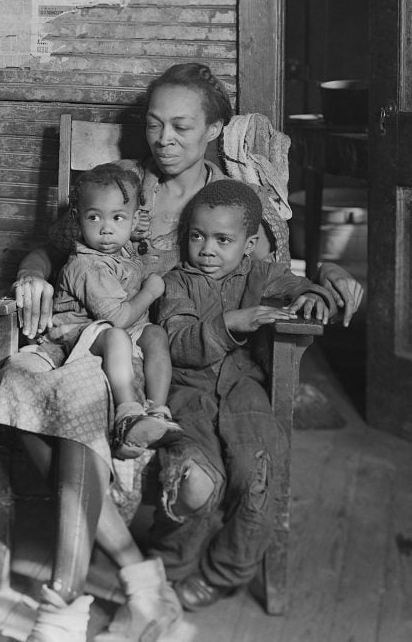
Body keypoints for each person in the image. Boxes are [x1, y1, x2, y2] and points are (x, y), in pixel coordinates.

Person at [0, 62, 364, 642]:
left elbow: (275, 273)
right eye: (155, 125)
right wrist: (30, 277)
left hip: (168, 361)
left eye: (182, 126)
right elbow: (49, 248)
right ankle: (138, 580)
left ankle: (87, 595)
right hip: (102, 343)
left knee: (94, 417)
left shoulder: (230, 200)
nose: (164, 139)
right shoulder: (121, 186)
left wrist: (331, 268)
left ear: (213, 130)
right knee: (27, 391)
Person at [153, 178, 334, 609]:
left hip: (243, 388)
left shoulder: (261, 273)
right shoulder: (177, 282)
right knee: (197, 476)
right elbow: (176, 341)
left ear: (250, 243)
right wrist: (231, 322)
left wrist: (313, 294)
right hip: (187, 391)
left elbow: (295, 284)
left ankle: (225, 571)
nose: (207, 249)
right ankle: (170, 566)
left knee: (259, 471)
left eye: (223, 239)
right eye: (197, 236)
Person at [47, 163, 183, 460]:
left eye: (118, 218)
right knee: (116, 337)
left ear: (134, 222)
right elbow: (118, 318)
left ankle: (156, 412)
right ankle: (128, 413)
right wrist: (150, 292)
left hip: (121, 326)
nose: (106, 228)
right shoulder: (87, 265)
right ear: (77, 219)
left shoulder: (120, 249)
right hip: (77, 332)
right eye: (94, 217)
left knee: (157, 335)